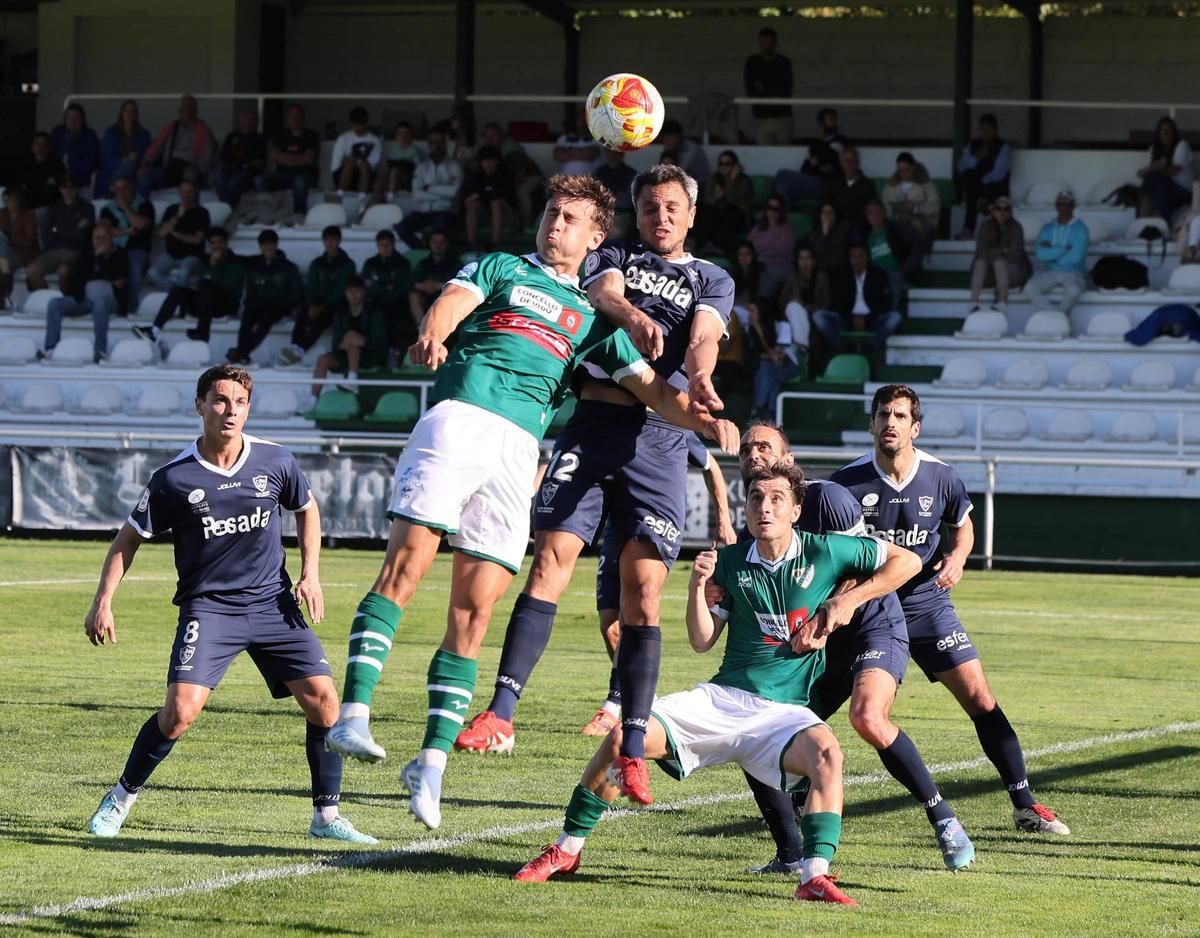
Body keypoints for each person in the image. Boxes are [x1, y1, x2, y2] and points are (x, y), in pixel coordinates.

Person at [323, 174, 738, 833]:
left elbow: (657, 390)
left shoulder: (599, 322)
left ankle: (430, 763)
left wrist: (708, 422)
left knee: (476, 609)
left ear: (594, 237)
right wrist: (434, 334)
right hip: (461, 419)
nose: (554, 225)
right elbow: (451, 302)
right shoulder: (504, 267)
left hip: (522, 449)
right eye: (551, 213)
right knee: (410, 567)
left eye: (570, 219)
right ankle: (355, 714)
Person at [513, 462, 922, 907]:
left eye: (777, 499)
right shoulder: (729, 561)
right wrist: (697, 585)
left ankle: (813, 875)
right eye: (756, 499)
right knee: (624, 736)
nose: (764, 508)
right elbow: (702, 640)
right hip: (723, 699)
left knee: (828, 753)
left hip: (783, 715)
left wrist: (848, 599)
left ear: (796, 511)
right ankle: (567, 850)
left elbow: (909, 560)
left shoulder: (827, 551)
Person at [453, 164, 734, 811]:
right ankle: (500, 714)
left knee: (643, 593)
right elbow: (604, 292)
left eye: (672, 207)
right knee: (550, 559)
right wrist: (632, 315)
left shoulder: (710, 277)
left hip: (660, 439)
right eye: (650, 207)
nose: (661, 216)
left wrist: (702, 379)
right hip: (593, 423)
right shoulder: (614, 255)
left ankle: (632, 748)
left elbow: (703, 336)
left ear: (691, 214)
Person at [82, 364, 376, 845]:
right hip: (210, 610)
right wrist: (103, 601)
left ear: (248, 409)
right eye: (220, 401)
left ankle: (326, 818)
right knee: (179, 713)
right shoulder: (173, 478)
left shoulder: (275, 460)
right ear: (200, 405)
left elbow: (307, 510)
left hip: (272, 604)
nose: (230, 411)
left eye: (239, 402)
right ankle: (119, 799)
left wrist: (311, 574)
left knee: (325, 704)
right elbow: (128, 539)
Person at [722, 422, 976, 874]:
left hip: (871, 625)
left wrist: (839, 605)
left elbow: (879, 564)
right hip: (820, 646)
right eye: (745, 450)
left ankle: (944, 819)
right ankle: (790, 854)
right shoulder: (755, 533)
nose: (753, 454)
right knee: (757, 726)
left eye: (764, 446)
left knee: (868, 717)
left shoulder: (830, 499)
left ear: (789, 459)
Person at [832, 385, 1070, 837]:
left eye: (900, 416)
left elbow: (963, 528)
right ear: (871, 424)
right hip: (869, 609)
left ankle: (1025, 805)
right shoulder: (845, 483)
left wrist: (958, 558)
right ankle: (800, 795)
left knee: (979, 696)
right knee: (833, 708)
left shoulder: (941, 477)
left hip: (926, 603)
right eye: (883, 415)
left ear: (915, 428)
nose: (890, 422)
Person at [581, 434, 736, 736]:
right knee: (610, 625)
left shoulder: (671, 424)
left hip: (652, 524)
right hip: (616, 527)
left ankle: (614, 704)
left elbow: (712, 466)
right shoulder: (613, 421)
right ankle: (642, 697)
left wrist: (724, 520)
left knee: (637, 609)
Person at [133, 227, 245, 345]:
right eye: (213, 243)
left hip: (226, 304)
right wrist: (212, 266)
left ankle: (202, 333)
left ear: (226, 243)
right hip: (206, 304)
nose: (217, 246)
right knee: (178, 291)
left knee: (207, 285)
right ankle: (154, 331)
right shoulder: (206, 260)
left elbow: (229, 287)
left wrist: (214, 267)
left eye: (220, 242)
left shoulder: (236, 262)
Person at [752, 246, 827, 418]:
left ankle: (757, 408)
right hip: (778, 364)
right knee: (768, 369)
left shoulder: (788, 321)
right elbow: (760, 354)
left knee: (769, 369)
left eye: (808, 258)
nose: (805, 262)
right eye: (801, 258)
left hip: (797, 359)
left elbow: (782, 350)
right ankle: (770, 412)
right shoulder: (772, 326)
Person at [41, 222, 127, 363]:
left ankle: (100, 351)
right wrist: (96, 264)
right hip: (84, 300)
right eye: (97, 238)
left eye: (104, 237)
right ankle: (51, 349)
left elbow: (118, 280)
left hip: (109, 301)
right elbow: (76, 278)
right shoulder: (86, 256)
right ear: (92, 240)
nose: (100, 241)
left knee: (99, 303)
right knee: (54, 304)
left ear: (111, 238)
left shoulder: (120, 254)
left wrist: (99, 259)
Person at [279, 225, 356, 365]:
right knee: (303, 312)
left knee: (322, 318)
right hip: (317, 302)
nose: (330, 243)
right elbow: (311, 287)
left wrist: (322, 306)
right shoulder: (317, 263)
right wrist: (312, 304)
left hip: (338, 304)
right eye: (327, 240)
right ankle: (294, 346)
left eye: (333, 240)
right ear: (323, 241)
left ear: (339, 241)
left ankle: (302, 350)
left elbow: (340, 291)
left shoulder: (347, 265)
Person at [226, 229, 305, 364]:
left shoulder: (288, 267)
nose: (268, 247)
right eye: (264, 244)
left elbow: (298, 292)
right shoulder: (254, 265)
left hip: (278, 305)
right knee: (247, 317)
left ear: (276, 245)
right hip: (258, 303)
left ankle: (242, 352)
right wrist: (249, 302)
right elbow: (250, 288)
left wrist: (287, 303)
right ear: (260, 246)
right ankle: (242, 353)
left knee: (266, 320)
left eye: (271, 243)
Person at [310, 275, 388, 397]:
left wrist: (363, 341)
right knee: (323, 359)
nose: (353, 295)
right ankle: (313, 398)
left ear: (363, 292)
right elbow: (336, 343)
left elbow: (381, 342)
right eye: (350, 291)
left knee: (354, 341)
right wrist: (344, 342)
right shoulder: (341, 313)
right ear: (345, 293)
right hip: (344, 356)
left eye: (356, 291)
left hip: (369, 357)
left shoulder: (373, 312)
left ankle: (352, 381)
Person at [814, 242, 901, 351]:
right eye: (853, 256)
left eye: (860, 256)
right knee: (818, 315)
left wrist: (866, 319)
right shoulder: (842, 276)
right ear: (849, 258)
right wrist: (852, 319)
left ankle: (870, 345)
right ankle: (840, 346)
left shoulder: (878, 275)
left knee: (895, 317)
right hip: (847, 321)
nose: (857, 260)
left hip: (872, 321)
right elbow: (837, 304)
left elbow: (884, 304)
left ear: (867, 257)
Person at [1024, 189, 1089, 313]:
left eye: (1067, 204)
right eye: (1060, 204)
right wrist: (1063, 249)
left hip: (1073, 272)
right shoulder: (1047, 228)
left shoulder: (1081, 229)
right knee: (1029, 288)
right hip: (1050, 271)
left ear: (1074, 206)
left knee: (1074, 291)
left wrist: (1051, 252)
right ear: (1056, 206)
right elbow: (1041, 255)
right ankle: (1056, 315)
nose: (1063, 207)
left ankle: (1058, 316)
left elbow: (1075, 257)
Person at [24, 177, 94, 294]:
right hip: (53, 250)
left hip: (76, 251)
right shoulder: (54, 208)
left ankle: (66, 300)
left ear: (76, 188)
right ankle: (47, 298)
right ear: (60, 189)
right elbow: (46, 234)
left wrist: (58, 231)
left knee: (64, 271)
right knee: (31, 270)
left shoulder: (87, 208)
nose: (68, 190)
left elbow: (82, 236)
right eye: (64, 187)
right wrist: (73, 229)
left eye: (71, 186)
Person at [138, 94, 218, 196]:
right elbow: (157, 146)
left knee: (190, 175)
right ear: (180, 111)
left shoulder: (203, 131)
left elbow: (207, 156)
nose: (187, 111)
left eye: (190, 108)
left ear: (195, 111)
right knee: (145, 175)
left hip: (191, 168)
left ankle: (188, 205)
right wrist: (147, 161)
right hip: (170, 167)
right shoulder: (170, 127)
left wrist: (198, 168)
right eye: (184, 108)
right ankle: (141, 204)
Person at [395, 129, 462, 249]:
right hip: (424, 211)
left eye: (439, 142)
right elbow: (416, 194)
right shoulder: (422, 167)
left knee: (438, 233)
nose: (436, 146)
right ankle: (423, 251)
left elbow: (453, 192)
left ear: (444, 144)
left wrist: (429, 188)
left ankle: (436, 253)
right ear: (428, 145)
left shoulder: (454, 166)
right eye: (432, 143)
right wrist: (441, 194)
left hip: (445, 210)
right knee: (401, 228)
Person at [99, 175, 155, 312]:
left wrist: (125, 207)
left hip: (137, 250)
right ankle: (113, 307)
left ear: (132, 187)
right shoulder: (108, 208)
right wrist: (127, 231)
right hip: (115, 249)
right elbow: (104, 230)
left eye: (124, 187)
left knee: (134, 272)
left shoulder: (145, 205)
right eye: (118, 189)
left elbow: (140, 224)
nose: (121, 192)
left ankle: (131, 310)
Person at [968, 196, 1030, 313]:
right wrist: (1002, 250)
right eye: (999, 208)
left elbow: (1014, 255)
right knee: (980, 262)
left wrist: (993, 253)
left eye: (1006, 209)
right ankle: (974, 301)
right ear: (993, 211)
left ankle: (1002, 302)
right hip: (989, 274)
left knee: (998, 262)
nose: (1002, 212)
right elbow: (981, 251)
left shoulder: (1016, 227)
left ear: (1010, 212)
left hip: (1013, 272)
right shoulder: (986, 226)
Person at [772, 108, 844, 207]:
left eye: (835, 120)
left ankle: (769, 207)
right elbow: (811, 165)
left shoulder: (839, 140)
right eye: (831, 120)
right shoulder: (815, 144)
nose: (835, 123)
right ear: (821, 124)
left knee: (782, 174)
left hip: (826, 184)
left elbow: (831, 163)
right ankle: (778, 213)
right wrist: (818, 166)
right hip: (812, 181)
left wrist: (820, 143)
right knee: (782, 187)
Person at [956, 113, 1012, 238]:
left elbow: (999, 174)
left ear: (996, 130)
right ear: (980, 130)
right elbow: (960, 167)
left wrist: (980, 183)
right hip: (975, 188)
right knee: (969, 177)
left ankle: (985, 229)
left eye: (990, 130)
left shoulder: (1003, 147)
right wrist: (976, 157)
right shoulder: (972, 145)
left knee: (973, 191)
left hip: (995, 187)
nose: (987, 133)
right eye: (984, 129)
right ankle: (968, 229)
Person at [147, 180, 210, 290]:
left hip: (193, 256)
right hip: (171, 255)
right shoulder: (171, 210)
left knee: (183, 273)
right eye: (184, 191)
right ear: (179, 192)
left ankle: (179, 296)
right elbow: (162, 233)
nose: (186, 195)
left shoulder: (202, 212)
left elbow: (197, 240)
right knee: (152, 273)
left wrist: (177, 234)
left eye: (190, 191)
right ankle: (175, 293)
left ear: (195, 193)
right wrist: (178, 216)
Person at [361, 229, 415, 355]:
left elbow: (401, 289)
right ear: (377, 245)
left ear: (393, 244)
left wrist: (377, 284)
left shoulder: (402, 263)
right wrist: (387, 286)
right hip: (374, 302)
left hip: (397, 304)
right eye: (382, 245)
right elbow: (365, 289)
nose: (385, 248)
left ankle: (390, 353)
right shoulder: (370, 263)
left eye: (388, 244)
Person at [263, 104, 321, 216]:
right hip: (282, 174)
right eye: (291, 116)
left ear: (303, 118)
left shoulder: (311, 135)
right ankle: (266, 214)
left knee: (299, 182)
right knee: (260, 180)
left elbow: (308, 159)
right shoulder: (280, 135)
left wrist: (283, 157)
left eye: (298, 116)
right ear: (287, 118)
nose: (295, 119)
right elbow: (274, 156)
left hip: (305, 175)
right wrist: (299, 158)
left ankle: (299, 216)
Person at [1137, 116, 1194, 223]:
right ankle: (1147, 218)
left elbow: (1175, 170)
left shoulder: (1181, 145)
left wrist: (1158, 168)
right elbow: (1140, 173)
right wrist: (1153, 168)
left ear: (1174, 133)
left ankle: (1156, 218)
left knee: (1154, 177)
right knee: (1150, 181)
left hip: (1183, 191)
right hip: (1164, 190)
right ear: (1158, 133)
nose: (1165, 134)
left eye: (1169, 130)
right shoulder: (1154, 148)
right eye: (1162, 131)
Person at [696, 149, 755, 254]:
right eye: (721, 163)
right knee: (704, 210)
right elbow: (707, 198)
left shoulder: (743, 180)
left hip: (737, 217)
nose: (724, 166)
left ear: (735, 165)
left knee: (728, 211)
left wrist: (732, 180)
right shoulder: (714, 178)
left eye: (727, 163)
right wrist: (716, 197)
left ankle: (722, 248)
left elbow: (732, 199)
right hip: (717, 214)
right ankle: (705, 244)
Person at [880, 151, 941, 248]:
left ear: (914, 167)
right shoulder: (891, 185)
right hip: (897, 222)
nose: (903, 173)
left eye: (907, 170)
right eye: (900, 170)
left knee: (915, 226)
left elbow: (935, 207)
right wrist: (897, 210)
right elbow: (885, 205)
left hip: (922, 223)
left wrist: (915, 208)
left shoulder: (926, 184)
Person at [743, 27, 793, 146]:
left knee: (784, 152)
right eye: (764, 42)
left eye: (770, 42)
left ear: (775, 44)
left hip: (782, 116)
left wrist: (763, 89)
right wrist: (769, 92)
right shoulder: (752, 62)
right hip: (761, 117)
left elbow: (786, 89)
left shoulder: (784, 62)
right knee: (764, 152)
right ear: (759, 43)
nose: (767, 46)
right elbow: (751, 89)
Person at [865, 199, 921, 301]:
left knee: (893, 281)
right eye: (871, 212)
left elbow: (916, 245)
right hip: (876, 275)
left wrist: (906, 267)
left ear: (884, 214)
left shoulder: (895, 230)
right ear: (867, 216)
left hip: (896, 272)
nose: (875, 215)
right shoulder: (864, 236)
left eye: (878, 211)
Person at [461, 145, 514, 249]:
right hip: (485, 217)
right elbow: (468, 197)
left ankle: (495, 243)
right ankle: (471, 243)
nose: (488, 164)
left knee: (495, 203)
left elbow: (502, 196)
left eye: (491, 161)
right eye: (485, 161)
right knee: (473, 205)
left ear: (497, 162)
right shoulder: (476, 177)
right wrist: (483, 195)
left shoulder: (505, 176)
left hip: (505, 217)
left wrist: (481, 195)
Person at [97, 99, 150, 198]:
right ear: (121, 112)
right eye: (126, 110)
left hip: (135, 170)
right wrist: (123, 161)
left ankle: (140, 202)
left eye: (132, 111)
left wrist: (142, 164)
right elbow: (107, 158)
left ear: (136, 114)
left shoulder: (144, 134)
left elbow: (147, 155)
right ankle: (113, 188)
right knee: (129, 164)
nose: (129, 113)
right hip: (114, 169)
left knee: (144, 174)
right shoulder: (111, 132)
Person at [748, 197, 796, 299]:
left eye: (776, 209)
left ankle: (761, 302)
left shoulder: (787, 228)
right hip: (758, 264)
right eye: (769, 208)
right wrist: (771, 243)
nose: (772, 212)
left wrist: (760, 248)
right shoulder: (759, 227)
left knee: (766, 276)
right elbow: (749, 246)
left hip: (780, 266)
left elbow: (781, 249)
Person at [217, 110, 267, 208]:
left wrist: (241, 160)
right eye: (245, 118)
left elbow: (258, 161)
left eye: (251, 119)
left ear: (256, 122)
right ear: (241, 120)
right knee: (220, 181)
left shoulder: (259, 139)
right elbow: (223, 156)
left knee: (233, 183)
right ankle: (226, 208)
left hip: (248, 171)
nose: (248, 121)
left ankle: (233, 208)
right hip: (230, 169)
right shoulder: (232, 136)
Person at [408, 230, 460, 320]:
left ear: (447, 244)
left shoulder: (455, 263)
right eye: (434, 242)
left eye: (441, 242)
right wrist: (421, 285)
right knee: (414, 296)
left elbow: (460, 284)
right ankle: (422, 327)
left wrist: (440, 285)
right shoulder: (424, 263)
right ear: (430, 244)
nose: (438, 245)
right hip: (426, 297)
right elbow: (410, 283)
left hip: (445, 297)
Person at [826, 146, 876, 239]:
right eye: (845, 161)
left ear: (857, 163)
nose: (848, 164)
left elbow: (870, 210)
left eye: (851, 160)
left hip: (859, 228)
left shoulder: (867, 184)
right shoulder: (833, 184)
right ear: (841, 163)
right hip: (838, 227)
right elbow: (828, 206)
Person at [0, 188, 38, 308]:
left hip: (22, 252)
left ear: (17, 200)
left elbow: (29, 240)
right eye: (4, 200)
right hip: (4, 253)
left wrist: (10, 238)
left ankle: (5, 283)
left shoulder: (28, 215)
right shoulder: (2, 213)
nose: (7, 204)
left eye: (9, 200)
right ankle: (5, 275)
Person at [331, 106, 382, 196]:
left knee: (363, 164)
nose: (357, 127)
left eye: (359, 124)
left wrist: (358, 162)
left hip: (365, 175)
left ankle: (362, 196)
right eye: (354, 124)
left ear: (366, 123)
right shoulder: (343, 138)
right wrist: (351, 161)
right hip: (342, 175)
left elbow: (372, 164)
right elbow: (336, 164)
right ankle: (340, 194)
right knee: (351, 161)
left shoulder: (375, 140)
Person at [50, 103, 101, 190]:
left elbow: (91, 160)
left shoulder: (89, 136)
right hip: (58, 178)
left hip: (80, 179)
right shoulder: (57, 133)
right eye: (69, 117)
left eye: (76, 118)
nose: (72, 121)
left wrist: (71, 173)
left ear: (82, 120)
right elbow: (51, 155)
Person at [591, 150, 638, 240]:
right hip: (600, 214)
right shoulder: (599, 172)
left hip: (621, 214)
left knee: (615, 233)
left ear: (622, 154)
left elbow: (624, 201)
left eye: (617, 153)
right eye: (610, 153)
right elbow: (594, 195)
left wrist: (608, 196)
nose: (613, 156)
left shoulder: (630, 173)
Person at [15, 132, 67, 210]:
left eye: (44, 144)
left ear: (49, 148)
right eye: (37, 144)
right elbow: (21, 188)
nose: (40, 148)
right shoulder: (24, 165)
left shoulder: (57, 165)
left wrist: (33, 185)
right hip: (28, 209)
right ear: (32, 147)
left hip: (50, 208)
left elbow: (60, 190)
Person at [377, 121, 422, 201]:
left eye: (406, 134)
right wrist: (381, 178)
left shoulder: (414, 150)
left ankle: (391, 197)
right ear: (396, 136)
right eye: (400, 134)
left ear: (411, 137)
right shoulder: (394, 150)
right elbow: (389, 166)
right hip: (393, 178)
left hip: (408, 179)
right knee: (378, 183)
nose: (403, 137)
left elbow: (419, 169)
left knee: (395, 171)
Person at [552, 110, 600, 177]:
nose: (583, 122)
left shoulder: (596, 138)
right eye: (581, 119)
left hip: (588, 180)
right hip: (565, 179)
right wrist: (584, 156)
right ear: (575, 121)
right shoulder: (564, 138)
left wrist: (567, 151)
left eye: (586, 119)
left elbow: (591, 153)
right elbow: (557, 156)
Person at [809, 200, 848, 273]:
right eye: (824, 213)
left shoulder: (842, 233)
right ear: (820, 216)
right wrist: (824, 234)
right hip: (820, 272)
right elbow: (815, 255)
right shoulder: (814, 234)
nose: (827, 216)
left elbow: (839, 257)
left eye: (830, 213)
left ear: (835, 216)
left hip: (838, 271)